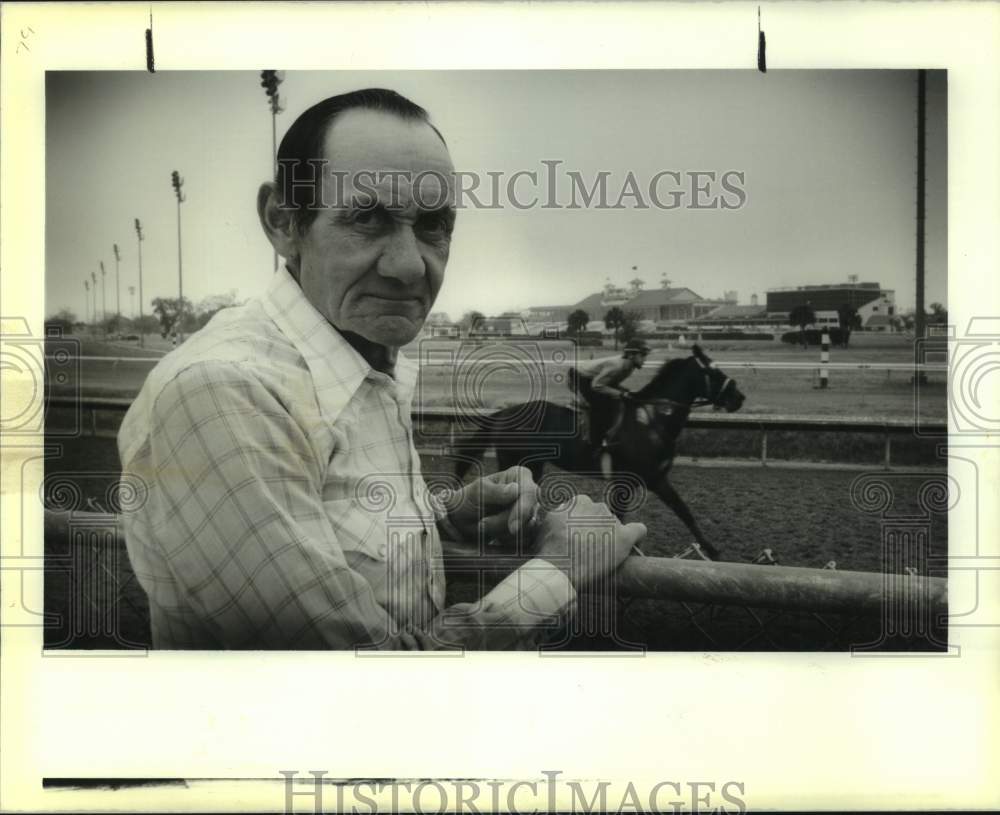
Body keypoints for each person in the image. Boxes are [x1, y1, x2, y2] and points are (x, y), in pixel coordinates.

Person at [117, 88, 646, 650]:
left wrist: (438, 523)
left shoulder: (362, 361)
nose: (410, 265)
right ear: (283, 222)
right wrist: (558, 571)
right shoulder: (223, 392)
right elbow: (360, 690)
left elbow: (323, 534)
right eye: (368, 218)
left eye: (433, 225)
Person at [568, 338, 650, 477]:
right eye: (642, 356)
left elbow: (610, 384)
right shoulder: (618, 366)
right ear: (631, 355)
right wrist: (621, 393)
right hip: (579, 377)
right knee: (601, 409)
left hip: (590, 378)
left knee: (617, 401)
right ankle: (593, 447)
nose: (644, 360)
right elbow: (597, 386)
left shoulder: (629, 367)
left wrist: (625, 393)